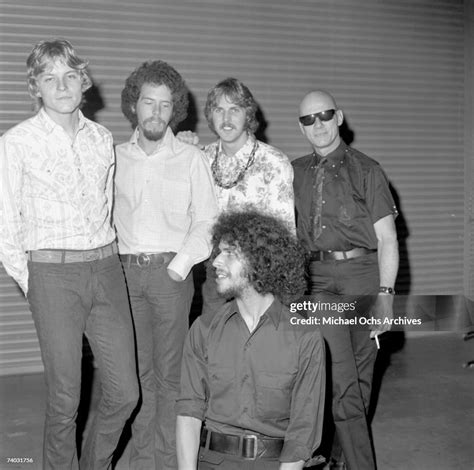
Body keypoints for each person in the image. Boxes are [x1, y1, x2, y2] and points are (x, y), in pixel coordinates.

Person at [0, 39, 139, 469]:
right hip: (51, 274)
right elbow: (6, 222)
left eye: (70, 75)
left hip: (105, 267)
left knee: (126, 391)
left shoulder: (101, 137)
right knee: (65, 397)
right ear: (36, 87)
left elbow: (108, 208)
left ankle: (95, 464)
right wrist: (34, 281)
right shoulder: (16, 142)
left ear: (83, 81)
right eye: (49, 78)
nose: (61, 85)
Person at [115, 60, 218, 470]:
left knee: (170, 376)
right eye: (147, 102)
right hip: (124, 275)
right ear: (134, 106)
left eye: (164, 104)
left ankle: (168, 460)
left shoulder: (190, 158)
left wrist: (179, 265)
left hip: (171, 276)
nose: (156, 112)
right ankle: (143, 459)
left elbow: (207, 219)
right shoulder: (115, 156)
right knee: (136, 377)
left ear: (174, 109)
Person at [292, 90, 399, 470]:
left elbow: (387, 238)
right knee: (342, 382)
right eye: (308, 119)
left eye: (323, 115)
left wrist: (386, 296)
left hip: (364, 277)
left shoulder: (367, 169)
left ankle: (337, 457)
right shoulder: (292, 172)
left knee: (361, 380)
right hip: (319, 281)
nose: (317, 125)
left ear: (339, 117)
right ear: (301, 127)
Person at [176, 211, 326, 470]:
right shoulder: (203, 329)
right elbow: (188, 412)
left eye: (230, 253)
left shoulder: (305, 338)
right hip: (212, 461)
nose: (216, 263)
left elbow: (302, 432)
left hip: (274, 463)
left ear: (261, 261)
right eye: (218, 252)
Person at [199, 77, 296, 317]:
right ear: (211, 116)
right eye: (219, 110)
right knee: (214, 344)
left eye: (235, 109)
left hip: (259, 273)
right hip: (217, 273)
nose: (226, 118)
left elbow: (285, 233)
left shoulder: (274, 161)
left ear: (248, 115)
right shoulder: (201, 158)